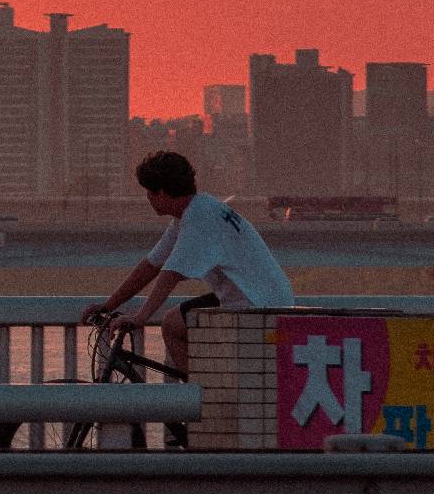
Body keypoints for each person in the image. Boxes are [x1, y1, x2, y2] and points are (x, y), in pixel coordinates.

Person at [80, 150, 294, 372]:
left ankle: (202, 398)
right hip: (257, 299)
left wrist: (140, 317)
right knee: (176, 320)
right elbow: (151, 264)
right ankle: (205, 388)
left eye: (149, 193)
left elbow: (170, 273)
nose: (148, 199)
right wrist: (109, 305)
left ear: (161, 193)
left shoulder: (198, 217)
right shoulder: (196, 210)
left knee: (173, 326)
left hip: (257, 307)